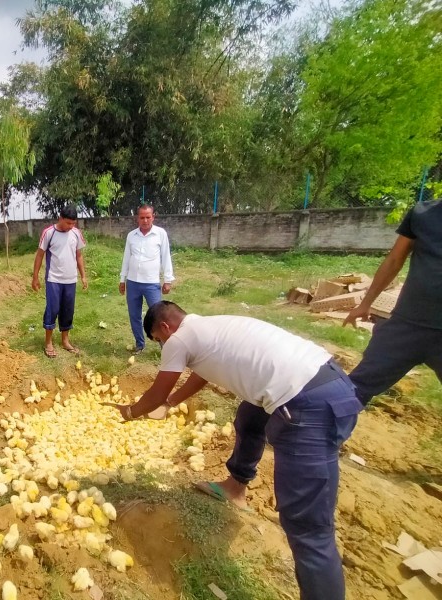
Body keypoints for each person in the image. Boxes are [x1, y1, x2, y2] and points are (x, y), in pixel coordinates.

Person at [106, 301, 361, 600]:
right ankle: (235, 487)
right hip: (330, 379)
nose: (163, 345)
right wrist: (172, 403)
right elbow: (202, 374)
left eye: (159, 340)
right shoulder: (210, 326)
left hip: (306, 404)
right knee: (250, 417)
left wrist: (131, 412)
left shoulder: (177, 339)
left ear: (165, 328)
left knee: (309, 531)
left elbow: (156, 392)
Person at [343, 199, 442, 404]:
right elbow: (395, 260)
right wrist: (365, 304)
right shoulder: (422, 213)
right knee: (355, 390)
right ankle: (321, 431)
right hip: (407, 325)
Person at [31, 204, 88, 357]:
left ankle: (65, 340)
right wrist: (35, 277)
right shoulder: (49, 233)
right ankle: (48, 342)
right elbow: (39, 255)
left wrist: (83, 275)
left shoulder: (76, 233)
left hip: (71, 280)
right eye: (68, 223)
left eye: (73, 223)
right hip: (53, 279)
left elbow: (79, 255)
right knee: (53, 308)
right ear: (60, 218)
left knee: (68, 310)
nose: (71, 226)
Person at [119, 205, 174, 353]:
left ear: (153, 217)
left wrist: (167, 280)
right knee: (134, 315)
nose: (145, 220)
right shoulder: (132, 235)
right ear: (137, 218)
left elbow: (166, 257)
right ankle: (139, 343)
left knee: (158, 316)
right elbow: (126, 258)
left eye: (148, 217)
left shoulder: (160, 234)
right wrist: (122, 279)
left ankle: (165, 346)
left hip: (151, 283)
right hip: (133, 283)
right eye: (142, 217)